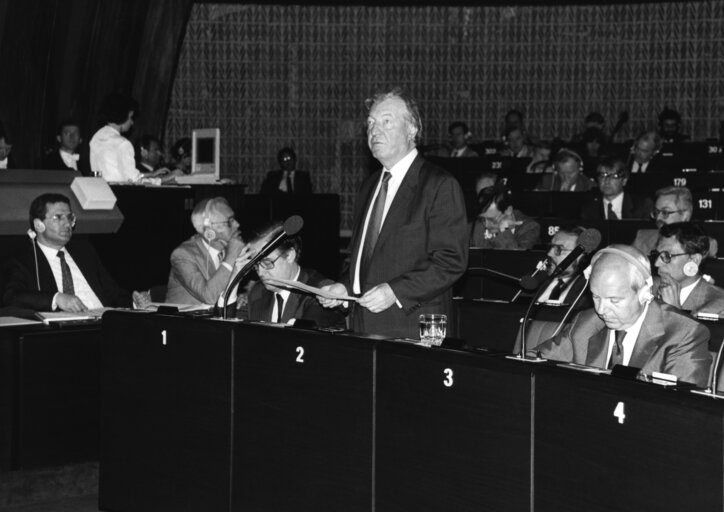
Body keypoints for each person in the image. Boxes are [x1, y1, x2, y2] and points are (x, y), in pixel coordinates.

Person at [318, 88, 469, 338]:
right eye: (370, 124)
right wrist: (345, 288)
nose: (375, 131)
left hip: (410, 327)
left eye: (386, 121)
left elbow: (451, 261)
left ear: (412, 130)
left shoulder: (438, 185)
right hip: (361, 326)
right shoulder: (368, 187)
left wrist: (395, 291)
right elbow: (363, 257)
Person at [532, 244, 711, 387]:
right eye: (595, 297)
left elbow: (680, 407)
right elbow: (532, 363)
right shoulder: (586, 323)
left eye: (614, 300)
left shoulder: (684, 334)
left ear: (644, 293)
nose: (601, 310)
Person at [2, 193, 150, 312]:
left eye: (70, 218)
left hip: (105, 322)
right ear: (38, 225)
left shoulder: (84, 251)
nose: (67, 224)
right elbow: (11, 296)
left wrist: (134, 301)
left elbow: (112, 293)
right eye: (58, 218)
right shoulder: (23, 259)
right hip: (66, 332)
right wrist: (57, 299)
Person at [238, 223, 345, 327]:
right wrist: (234, 278)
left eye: (267, 262)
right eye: (256, 264)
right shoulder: (258, 291)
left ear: (289, 255)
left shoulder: (319, 291)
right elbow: (233, 333)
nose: (260, 272)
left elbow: (301, 340)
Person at [165, 197, 250, 308]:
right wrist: (231, 256)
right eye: (230, 221)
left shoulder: (230, 249)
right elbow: (209, 297)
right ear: (209, 230)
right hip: (184, 322)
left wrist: (240, 296)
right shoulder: (182, 255)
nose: (237, 224)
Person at [652, 222, 724, 315]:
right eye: (657, 255)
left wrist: (675, 313)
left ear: (694, 260)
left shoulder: (719, 305)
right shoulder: (645, 290)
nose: (656, 263)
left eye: (667, 256)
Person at [89, 93, 161, 184]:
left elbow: (115, 173)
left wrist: (152, 174)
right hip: (120, 193)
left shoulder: (96, 138)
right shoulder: (123, 143)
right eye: (131, 117)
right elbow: (134, 180)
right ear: (122, 115)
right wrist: (162, 180)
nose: (132, 122)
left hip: (101, 191)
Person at [632, 186, 718, 257]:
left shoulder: (705, 245)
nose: (658, 218)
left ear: (685, 216)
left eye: (665, 212)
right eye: (656, 212)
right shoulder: (642, 238)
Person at [580, 157, 653, 221]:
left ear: (624, 181)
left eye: (614, 176)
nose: (607, 181)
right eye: (603, 175)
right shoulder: (588, 208)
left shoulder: (642, 205)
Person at [469, 184, 540, 249]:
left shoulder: (530, 228)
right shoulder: (474, 227)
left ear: (508, 211)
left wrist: (503, 231)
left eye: (492, 220)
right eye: (483, 219)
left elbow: (515, 260)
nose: (486, 225)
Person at [536, 226, 590, 306]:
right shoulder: (536, 281)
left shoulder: (588, 292)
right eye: (550, 247)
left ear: (579, 257)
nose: (550, 253)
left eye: (558, 249)